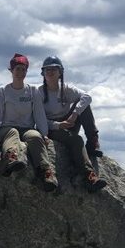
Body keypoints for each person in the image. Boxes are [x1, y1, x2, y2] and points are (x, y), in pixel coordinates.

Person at [0, 53, 58, 192]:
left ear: (27, 71)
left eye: (23, 69)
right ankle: (11, 158)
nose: (20, 72)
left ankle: (46, 172)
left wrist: (44, 134)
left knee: (35, 136)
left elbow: (39, 114)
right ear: (11, 70)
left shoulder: (32, 91)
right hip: (7, 128)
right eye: (17, 69)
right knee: (12, 133)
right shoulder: (3, 91)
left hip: (27, 128)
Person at [40, 56, 107, 193]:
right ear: (43, 73)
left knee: (84, 106)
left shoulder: (67, 89)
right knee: (76, 140)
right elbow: (38, 119)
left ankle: (93, 141)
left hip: (68, 121)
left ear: (60, 72)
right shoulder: (39, 93)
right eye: (47, 70)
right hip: (52, 128)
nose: (50, 72)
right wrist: (58, 125)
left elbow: (87, 97)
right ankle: (89, 176)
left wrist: (74, 114)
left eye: (54, 69)